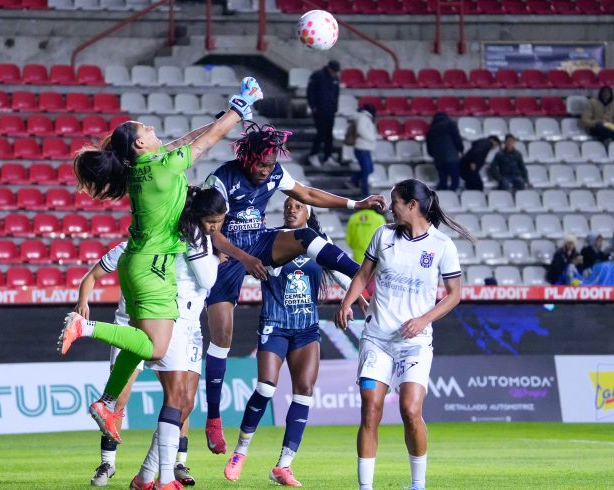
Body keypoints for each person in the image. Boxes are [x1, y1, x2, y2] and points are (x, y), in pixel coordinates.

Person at [58, 78, 264, 490]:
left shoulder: (144, 167)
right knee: (153, 346)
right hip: (152, 267)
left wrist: (221, 116)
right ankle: (87, 329)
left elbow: (187, 140)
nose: (154, 132)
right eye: (147, 130)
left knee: (140, 344)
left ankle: (106, 403)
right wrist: (241, 108)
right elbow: (204, 144)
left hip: (138, 263)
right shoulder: (163, 166)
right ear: (138, 145)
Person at [201, 122, 387, 454]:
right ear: (248, 157)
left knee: (305, 238)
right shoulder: (222, 179)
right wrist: (243, 259)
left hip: (259, 242)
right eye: (261, 164)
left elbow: (309, 194)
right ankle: (213, 419)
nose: (266, 171)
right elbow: (211, 230)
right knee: (222, 337)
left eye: (271, 165)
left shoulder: (274, 174)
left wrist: (355, 204)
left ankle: (362, 274)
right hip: (227, 254)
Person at [222, 197, 368, 487]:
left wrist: (356, 299)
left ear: (308, 213)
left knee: (304, 392)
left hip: (306, 329)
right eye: (288, 206)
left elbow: (339, 274)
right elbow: (250, 266)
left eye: (298, 206)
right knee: (265, 387)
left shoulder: (320, 242)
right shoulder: (271, 240)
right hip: (275, 325)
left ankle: (283, 466)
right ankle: (240, 451)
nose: (291, 209)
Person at [335, 179, 471, 490]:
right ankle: (365, 488)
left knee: (410, 410)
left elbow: (454, 294)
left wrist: (424, 319)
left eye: (396, 201)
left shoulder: (442, 246)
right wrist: (346, 301)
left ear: (412, 205)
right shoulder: (383, 236)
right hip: (377, 338)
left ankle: (417, 484)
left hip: (414, 342)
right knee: (370, 408)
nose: (390, 207)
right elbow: (363, 274)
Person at [130, 187, 227, 490]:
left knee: (186, 402)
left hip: (192, 323)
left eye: (219, 222)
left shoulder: (198, 233)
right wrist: (217, 258)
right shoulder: (195, 235)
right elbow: (208, 279)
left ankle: (145, 476)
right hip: (175, 319)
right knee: (176, 398)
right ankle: (165, 478)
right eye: (211, 221)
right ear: (199, 216)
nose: (215, 227)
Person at [74, 243, 146, 486]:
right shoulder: (126, 248)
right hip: (128, 326)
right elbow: (92, 275)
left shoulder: (174, 244)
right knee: (119, 399)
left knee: (181, 394)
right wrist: (83, 301)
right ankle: (107, 462)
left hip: (165, 324)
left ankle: (177, 462)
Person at [306, 60, 340, 167]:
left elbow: (336, 94)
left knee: (329, 135)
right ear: (329, 68)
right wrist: (313, 107)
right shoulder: (317, 75)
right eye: (333, 71)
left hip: (330, 110)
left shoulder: (335, 78)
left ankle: (327, 156)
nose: (335, 73)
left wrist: (335, 108)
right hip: (319, 110)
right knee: (321, 132)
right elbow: (310, 92)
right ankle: (313, 154)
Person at [425, 112, 463, 191]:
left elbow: (429, 146)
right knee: (455, 179)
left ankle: (442, 197)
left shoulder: (431, 129)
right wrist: (461, 149)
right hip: (451, 156)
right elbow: (457, 139)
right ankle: (452, 196)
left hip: (438, 159)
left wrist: (434, 155)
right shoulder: (450, 125)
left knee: (443, 180)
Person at [347, 104, 378, 197]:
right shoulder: (363, 117)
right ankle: (365, 193)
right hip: (361, 148)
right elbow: (361, 130)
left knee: (369, 169)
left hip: (365, 148)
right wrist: (372, 138)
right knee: (366, 170)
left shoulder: (365, 117)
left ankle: (353, 180)